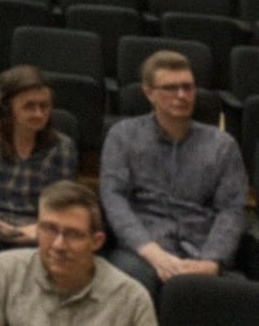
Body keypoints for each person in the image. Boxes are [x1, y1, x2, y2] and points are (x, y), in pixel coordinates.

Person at [99, 50, 247, 296]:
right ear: (149, 92)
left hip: (200, 249)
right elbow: (113, 198)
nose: (182, 95)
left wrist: (212, 261)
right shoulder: (123, 135)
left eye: (188, 87)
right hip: (141, 249)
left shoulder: (222, 145)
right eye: (170, 88)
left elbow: (231, 210)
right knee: (134, 282)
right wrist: (151, 251)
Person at [0, 181, 157, 326]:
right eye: (49, 229)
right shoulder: (4, 271)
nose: (58, 245)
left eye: (73, 234)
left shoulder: (131, 299)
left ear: (96, 241)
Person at [0, 65, 79, 247]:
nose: (39, 113)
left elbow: (62, 205)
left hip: (38, 230)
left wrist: (38, 230)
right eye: (29, 106)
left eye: (44, 106)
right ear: (8, 107)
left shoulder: (62, 147)